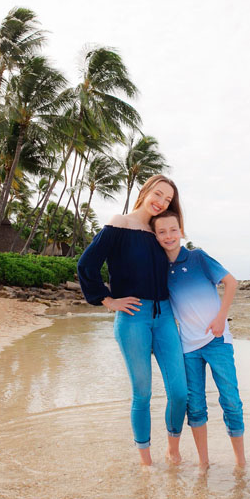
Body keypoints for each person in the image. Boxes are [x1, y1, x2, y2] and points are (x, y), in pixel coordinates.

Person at [77, 175, 188, 466]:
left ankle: (173, 449)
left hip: (165, 317)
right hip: (133, 318)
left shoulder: (160, 231)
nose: (161, 202)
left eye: (167, 199)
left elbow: (180, 271)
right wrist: (108, 300)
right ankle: (146, 461)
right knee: (143, 393)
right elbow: (86, 264)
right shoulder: (119, 224)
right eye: (158, 194)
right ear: (146, 190)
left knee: (179, 392)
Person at [150, 210, 245, 469]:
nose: (168, 236)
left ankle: (241, 464)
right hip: (188, 347)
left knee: (231, 402)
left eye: (173, 229)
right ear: (155, 236)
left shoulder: (198, 257)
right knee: (196, 407)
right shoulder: (159, 270)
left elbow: (231, 282)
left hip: (217, 340)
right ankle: (204, 464)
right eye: (161, 232)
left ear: (181, 230)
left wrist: (221, 318)